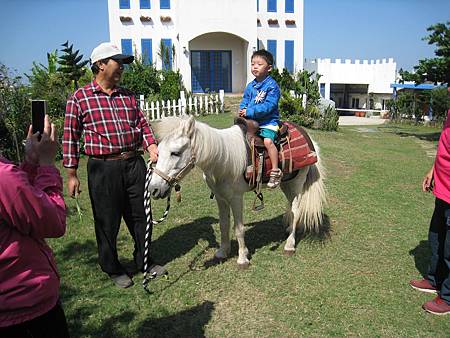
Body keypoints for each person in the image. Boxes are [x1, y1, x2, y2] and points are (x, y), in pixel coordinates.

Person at [63, 42, 165, 289]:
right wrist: (72, 173)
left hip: (133, 164)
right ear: (100, 65)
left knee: (141, 216)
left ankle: (144, 260)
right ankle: (112, 266)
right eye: (117, 62)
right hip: (103, 167)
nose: (121, 68)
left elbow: (142, 125)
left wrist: (150, 145)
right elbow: (70, 136)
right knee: (107, 220)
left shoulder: (128, 95)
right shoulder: (80, 98)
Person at [0, 116, 70, 337]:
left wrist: (30, 164)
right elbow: (54, 221)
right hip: (28, 312)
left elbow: (16, 204)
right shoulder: (2, 178)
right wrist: (47, 164)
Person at [410, 101, 450, 315]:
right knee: (437, 239)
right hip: (442, 189)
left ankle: (447, 297)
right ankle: (434, 280)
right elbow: (445, 147)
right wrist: (433, 170)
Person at [239, 49, 282, 188]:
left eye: (259, 64)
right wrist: (242, 110)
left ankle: (275, 171)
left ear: (269, 68)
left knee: (268, 141)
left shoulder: (272, 86)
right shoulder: (250, 86)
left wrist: (249, 111)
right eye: (252, 64)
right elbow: (245, 100)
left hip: (268, 121)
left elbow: (269, 106)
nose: (255, 67)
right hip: (252, 122)